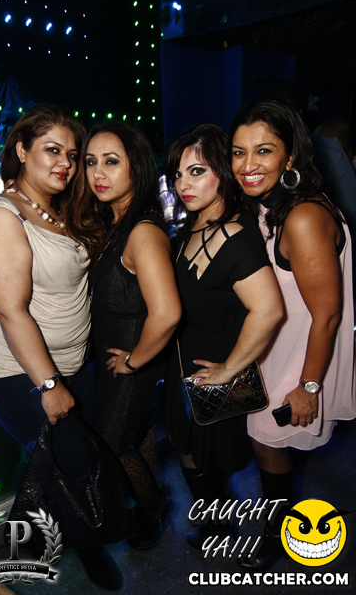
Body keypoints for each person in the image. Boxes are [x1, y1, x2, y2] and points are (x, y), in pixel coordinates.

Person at [0, 105, 123, 591]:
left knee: (64, 461)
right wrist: (50, 384)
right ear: (21, 150)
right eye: (52, 150)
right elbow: (8, 311)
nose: (66, 164)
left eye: (72, 156)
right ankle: (86, 547)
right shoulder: (4, 216)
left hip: (74, 364)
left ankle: (43, 541)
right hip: (18, 371)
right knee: (72, 463)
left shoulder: (58, 210)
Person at [229, 97, 356, 569]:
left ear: (290, 157)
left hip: (299, 361)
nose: (247, 165)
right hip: (277, 353)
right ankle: (281, 526)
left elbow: (328, 316)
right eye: (239, 152)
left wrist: (309, 387)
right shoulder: (273, 206)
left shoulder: (302, 217)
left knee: (268, 445)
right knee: (266, 444)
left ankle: (279, 536)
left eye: (263, 150)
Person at [164, 124, 283, 549]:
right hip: (182, 360)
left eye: (197, 171)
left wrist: (229, 368)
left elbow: (269, 310)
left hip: (212, 364)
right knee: (188, 449)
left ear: (222, 173)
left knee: (200, 453)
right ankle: (215, 522)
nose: (183, 184)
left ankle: (219, 527)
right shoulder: (192, 227)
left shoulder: (233, 234)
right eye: (178, 174)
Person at [85, 121, 181, 548]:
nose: (97, 173)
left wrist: (134, 361)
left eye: (111, 161)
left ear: (136, 167)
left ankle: (153, 511)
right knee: (134, 434)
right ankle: (153, 503)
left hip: (131, 361)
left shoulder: (143, 230)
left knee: (111, 442)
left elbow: (167, 313)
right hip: (118, 359)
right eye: (91, 162)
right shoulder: (117, 222)